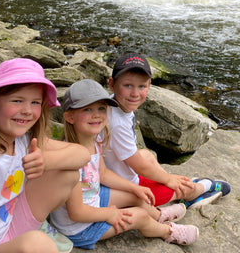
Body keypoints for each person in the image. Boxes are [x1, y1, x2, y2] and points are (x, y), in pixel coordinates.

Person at [50, 79, 199, 249]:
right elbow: (76, 212)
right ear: (69, 116)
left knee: (135, 196)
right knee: (139, 216)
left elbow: (103, 174)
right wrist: (110, 213)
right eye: (87, 109)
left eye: (101, 108)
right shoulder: (71, 161)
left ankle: (158, 215)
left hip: (93, 199)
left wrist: (133, 187)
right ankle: (166, 231)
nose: (96, 114)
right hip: (79, 228)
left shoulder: (94, 140)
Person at [0, 58, 90, 253]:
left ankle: (33, 230)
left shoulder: (23, 140)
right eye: (17, 100)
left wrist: (46, 161)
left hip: (8, 225)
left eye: (35, 102)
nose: (26, 111)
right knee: (38, 244)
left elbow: (82, 154)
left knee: (67, 173)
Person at [103, 53, 231, 208]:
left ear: (149, 85)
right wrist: (169, 180)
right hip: (121, 188)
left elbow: (136, 160)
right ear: (112, 84)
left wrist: (166, 177)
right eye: (128, 85)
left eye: (141, 86)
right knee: (175, 188)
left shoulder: (115, 103)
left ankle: (175, 183)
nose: (135, 93)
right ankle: (201, 188)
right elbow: (139, 166)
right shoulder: (116, 122)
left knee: (148, 156)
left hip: (120, 173)